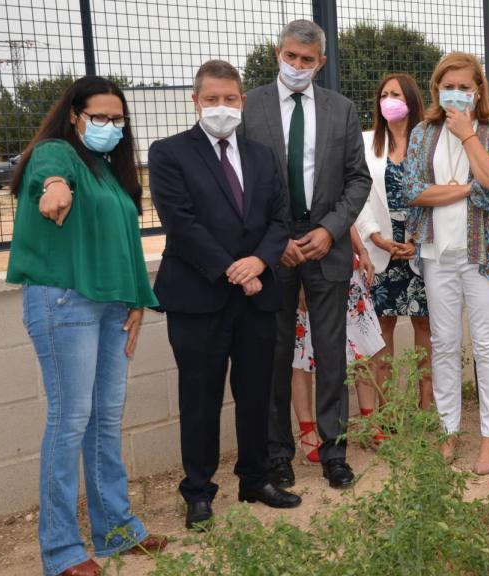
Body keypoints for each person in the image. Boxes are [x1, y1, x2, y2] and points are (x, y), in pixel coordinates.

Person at [7, 76, 167, 576]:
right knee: (70, 419)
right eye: (99, 117)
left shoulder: (107, 170)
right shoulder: (58, 154)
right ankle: (61, 551)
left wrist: (137, 299)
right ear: (74, 115)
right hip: (64, 301)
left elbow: (123, 240)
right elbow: (47, 170)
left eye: (117, 119)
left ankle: (116, 531)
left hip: (112, 306)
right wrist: (54, 185)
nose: (110, 126)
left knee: (104, 420)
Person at [150, 60, 299, 530]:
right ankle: (198, 492)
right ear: (195, 101)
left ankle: (255, 478)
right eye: (211, 99)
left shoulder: (260, 154)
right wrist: (235, 270)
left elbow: (280, 218)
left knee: (257, 393)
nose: (221, 107)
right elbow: (181, 223)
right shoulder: (169, 152)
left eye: (229, 99)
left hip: (257, 293)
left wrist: (260, 262)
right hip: (199, 296)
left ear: (242, 101)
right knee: (200, 397)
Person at [240, 19, 372, 490]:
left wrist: (330, 230)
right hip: (273, 253)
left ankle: (334, 450)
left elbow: (359, 179)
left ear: (322, 62)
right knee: (275, 355)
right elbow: (241, 181)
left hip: (327, 247)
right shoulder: (249, 106)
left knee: (331, 354)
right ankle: (279, 454)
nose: (298, 66)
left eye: (307, 59)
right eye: (291, 57)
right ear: (279, 53)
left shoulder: (341, 109)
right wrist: (276, 242)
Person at [403, 51, 489, 474]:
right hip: (438, 255)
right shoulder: (422, 132)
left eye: (464, 87)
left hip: (483, 255)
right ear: (436, 90)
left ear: (478, 91)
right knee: (445, 345)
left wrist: (469, 136)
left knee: (488, 345)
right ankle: (447, 430)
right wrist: (467, 188)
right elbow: (413, 191)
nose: (455, 93)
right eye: (448, 86)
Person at [356, 73, 433, 412]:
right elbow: (356, 197)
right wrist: (377, 238)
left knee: (426, 327)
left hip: (422, 248)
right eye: (384, 94)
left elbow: (440, 191)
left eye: (396, 94)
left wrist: (419, 238)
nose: (389, 100)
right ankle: (386, 411)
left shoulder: (430, 141)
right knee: (381, 326)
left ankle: (426, 407)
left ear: (412, 101)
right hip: (381, 249)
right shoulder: (365, 142)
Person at [290, 240, 385, 463]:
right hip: (302, 267)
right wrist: (301, 279)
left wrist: (362, 251)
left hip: (344, 266)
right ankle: (307, 431)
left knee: (363, 348)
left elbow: (344, 213)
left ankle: (369, 424)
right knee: (303, 354)